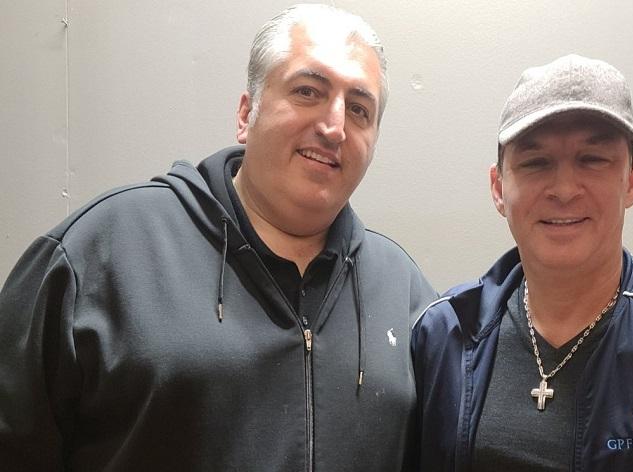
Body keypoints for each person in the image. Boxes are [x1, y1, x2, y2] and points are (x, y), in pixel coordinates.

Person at [0, 4, 436, 471]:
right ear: (246, 114)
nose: (334, 127)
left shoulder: (403, 291)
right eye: (308, 91)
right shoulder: (101, 253)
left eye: (359, 109)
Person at [412, 54, 633, 471]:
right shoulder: (442, 336)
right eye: (536, 162)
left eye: (592, 159)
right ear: (499, 187)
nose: (564, 189)